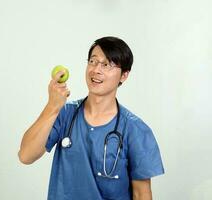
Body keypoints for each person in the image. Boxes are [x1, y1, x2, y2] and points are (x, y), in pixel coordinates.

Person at [18, 36, 165, 200]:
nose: (96, 70)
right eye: (93, 61)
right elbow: (25, 156)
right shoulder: (65, 114)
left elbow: (141, 194)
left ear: (124, 75)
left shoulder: (135, 130)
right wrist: (52, 107)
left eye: (107, 64)